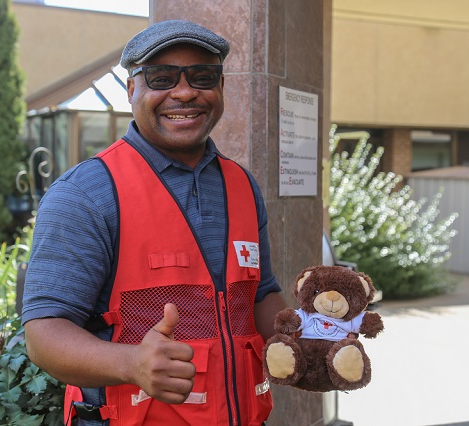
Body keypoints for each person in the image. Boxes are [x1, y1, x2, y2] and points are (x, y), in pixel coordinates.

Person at [22, 19, 287, 426]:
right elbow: (44, 336)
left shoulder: (241, 186)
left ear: (220, 89)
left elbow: (260, 294)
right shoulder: (86, 193)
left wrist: (303, 343)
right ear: (132, 90)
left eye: (203, 77)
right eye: (162, 78)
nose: (184, 92)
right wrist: (131, 363)